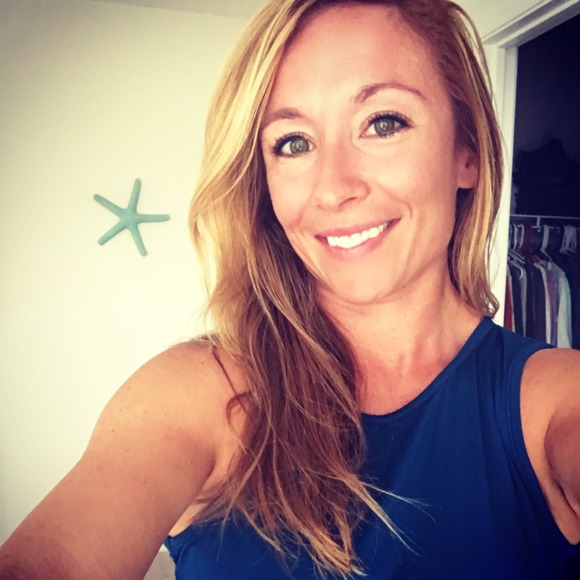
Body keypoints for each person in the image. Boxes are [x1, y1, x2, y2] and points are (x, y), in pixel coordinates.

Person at [1, 0, 579, 578]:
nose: (333, 188)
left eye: (382, 122)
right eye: (293, 143)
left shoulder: (552, 400)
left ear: (466, 153)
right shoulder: (199, 394)